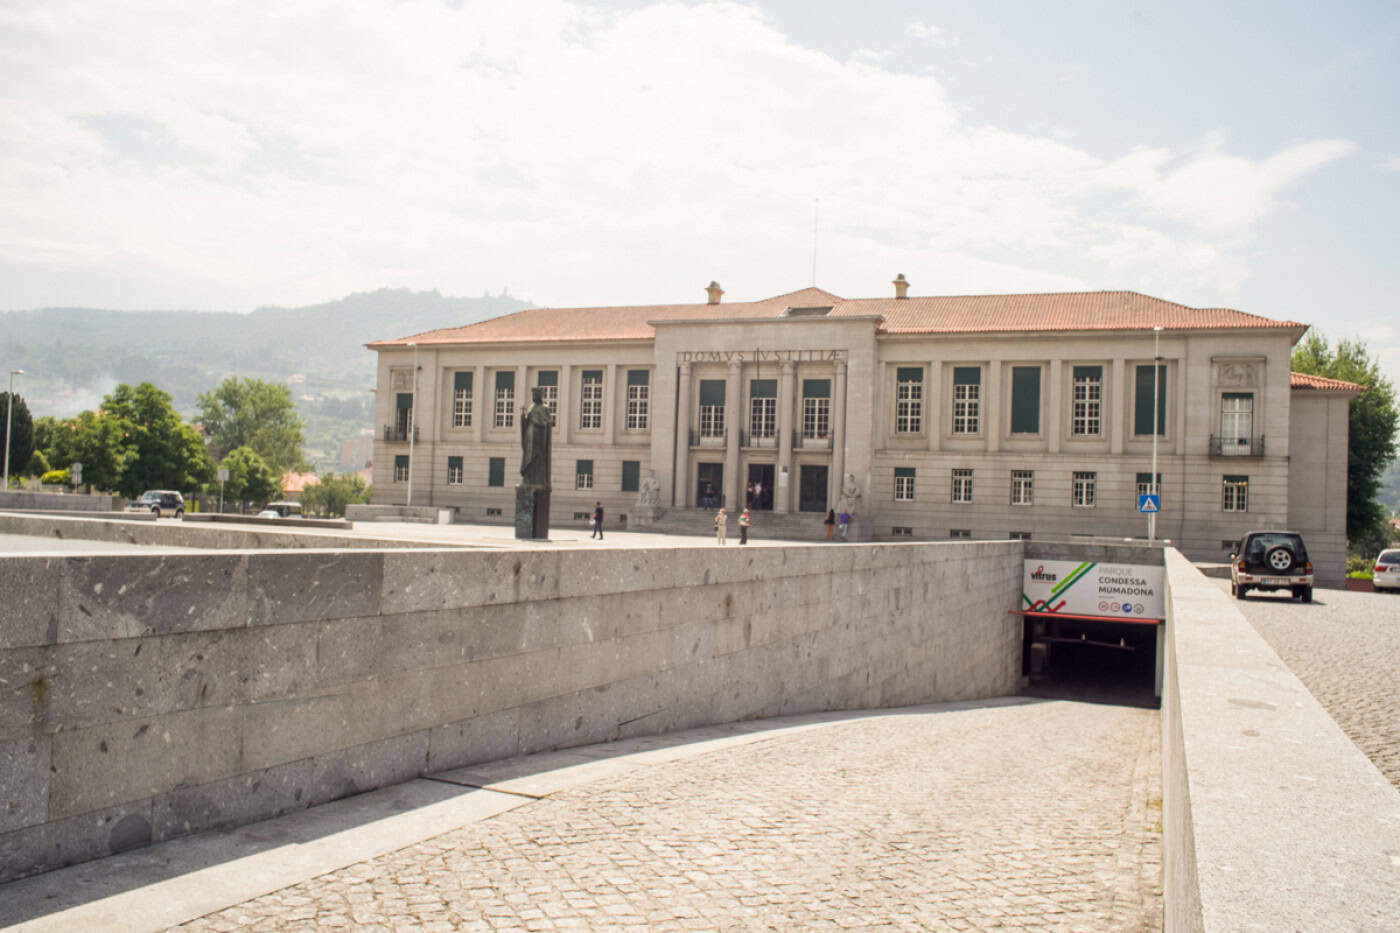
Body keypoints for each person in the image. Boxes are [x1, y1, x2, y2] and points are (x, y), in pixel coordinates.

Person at [519, 387, 552, 487]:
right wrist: (523, 417)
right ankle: (528, 479)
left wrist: (537, 421)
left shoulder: (545, 408)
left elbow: (548, 422)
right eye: (533, 394)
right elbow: (526, 422)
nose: (534, 396)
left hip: (539, 437)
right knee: (528, 458)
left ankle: (539, 480)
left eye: (536, 394)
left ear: (540, 395)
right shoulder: (531, 407)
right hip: (529, 437)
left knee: (537, 458)